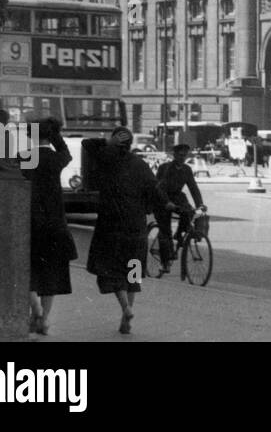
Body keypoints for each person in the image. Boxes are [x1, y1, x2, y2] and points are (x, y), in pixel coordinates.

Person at [83, 126, 179, 334]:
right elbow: (155, 189)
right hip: (136, 227)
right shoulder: (140, 164)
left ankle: (125, 307)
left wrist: (110, 143)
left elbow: (87, 144)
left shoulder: (106, 160)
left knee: (114, 270)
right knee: (133, 273)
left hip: (112, 227)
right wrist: (167, 203)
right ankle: (127, 316)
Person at [22, 118, 73, 335]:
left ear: (30, 136)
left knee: (28, 272)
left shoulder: (24, 158)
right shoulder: (57, 158)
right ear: (50, 137)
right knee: (51, 274)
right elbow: (65, 150)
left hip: (30, 223)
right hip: (55, 223)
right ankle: (44, 320)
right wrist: (55, 134)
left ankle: (36, 310)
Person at [153, 144, 206, 273]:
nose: (182, 158)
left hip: (177, 196)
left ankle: (180, 233)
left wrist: (200, 205)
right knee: (165, 231)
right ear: (174, 155)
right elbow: (159, 188)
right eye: (180, 155)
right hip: (161, 199)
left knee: (190, 213)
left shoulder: (187, 169)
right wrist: (167, 202)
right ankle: (165, 263)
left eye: (185, 155)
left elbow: (193, 188)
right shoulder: (166, 168)